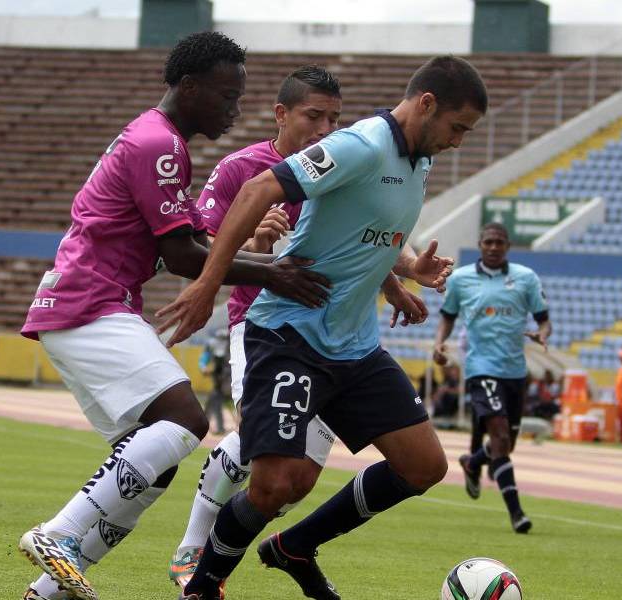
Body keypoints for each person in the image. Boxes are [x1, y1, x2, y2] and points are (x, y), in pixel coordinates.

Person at [16, 33, 332, 600]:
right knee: (186, 419)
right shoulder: (158, 145)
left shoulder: (158, 141)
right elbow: (184, 257)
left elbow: (194, 242)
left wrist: (255, 253)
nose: (234, 109)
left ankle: (47, 592)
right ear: (188, 87)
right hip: (90, 299)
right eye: (226, 95)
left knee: (152, 466)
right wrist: (272, 271)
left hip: (87, 301)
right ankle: (58, 532)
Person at [157, 55, 486, 600]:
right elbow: (256, 191)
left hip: (354, 347)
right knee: (274, 484)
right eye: (457, 128)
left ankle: (294, 547)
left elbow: (368, 229)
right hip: (289, 335)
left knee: (424, 466)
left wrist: (403, 271)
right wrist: (206, 283)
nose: (458, 142)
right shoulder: (360, 145)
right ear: (427, 105)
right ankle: (202, 587)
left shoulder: (417, 158)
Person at [433, 221, 551, 534]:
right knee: (499, 437)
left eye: (500, 242)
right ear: (481, 245)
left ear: (508, 246)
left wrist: (542, 334)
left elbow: (544, 320)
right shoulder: (461, 280)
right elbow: (447, 317)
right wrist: (439, 343)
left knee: (505, 445)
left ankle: (473, 462)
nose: (494, 247)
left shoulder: (526, 278)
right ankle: (517, 514)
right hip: (481, 368)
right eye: (489, 242)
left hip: (515, 372)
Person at [199, 328, 231, 434]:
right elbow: (204, 359)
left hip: (229, 381)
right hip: (220, 380)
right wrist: (204, 368)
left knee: (216, 400)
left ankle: (205, 425)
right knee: (215, 399)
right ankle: (208, 425)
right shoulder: (214, 345)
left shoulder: (234, 345)